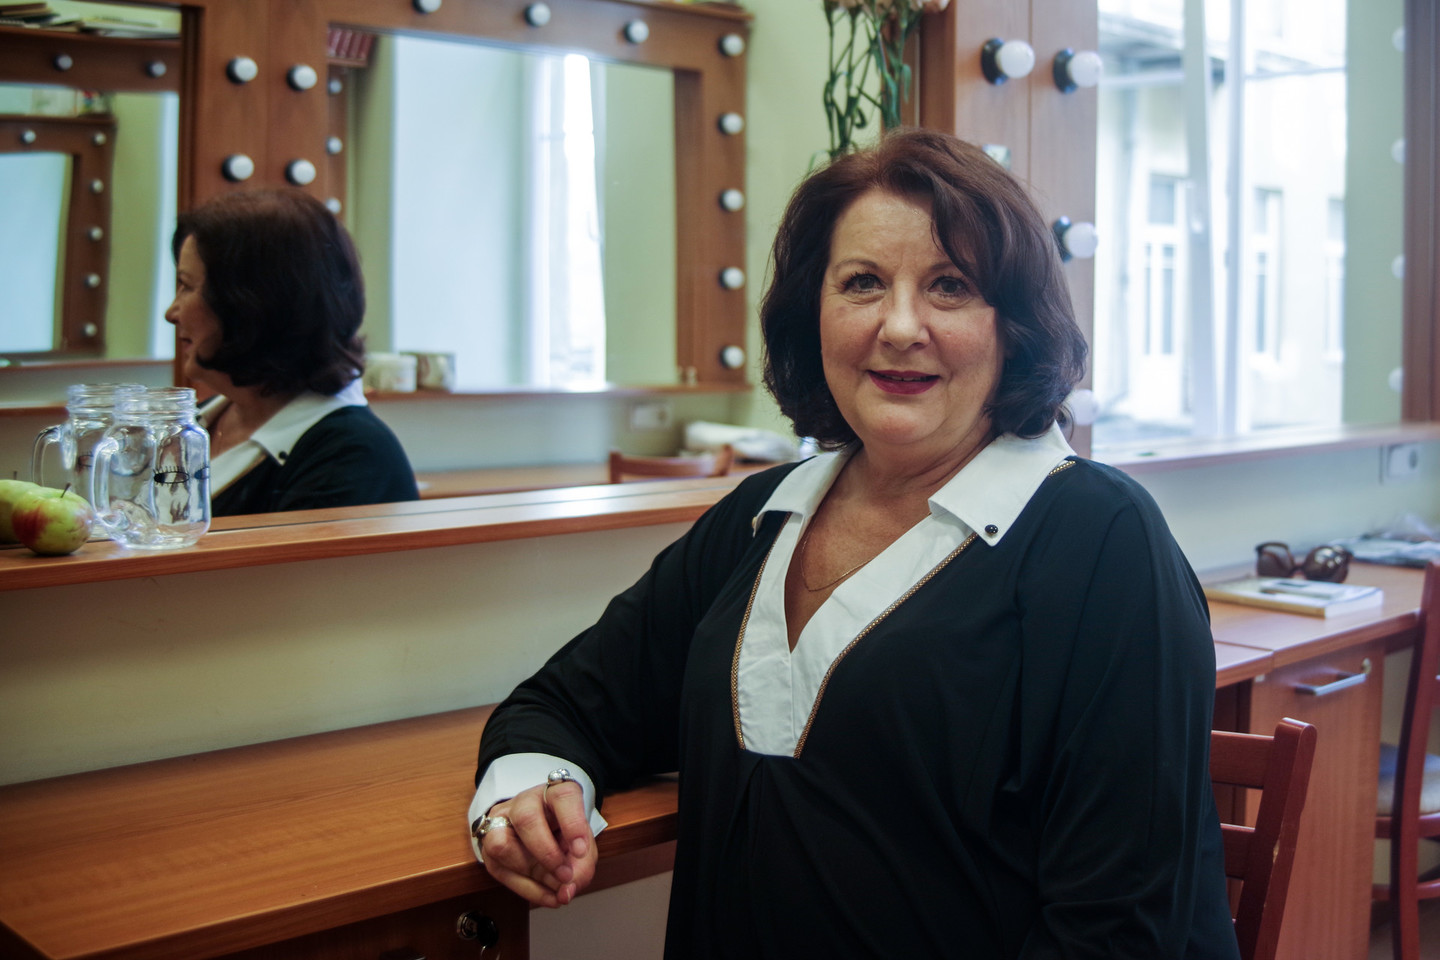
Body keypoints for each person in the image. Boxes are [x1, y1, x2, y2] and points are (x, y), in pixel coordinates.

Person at [469, 130, 1239, 959]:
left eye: (950, 286)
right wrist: (529, 791)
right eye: (862, 283)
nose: (900, 327)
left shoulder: (1102, 542)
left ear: (1013, 325)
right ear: (814, 313)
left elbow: (1121, 926)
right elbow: (564, 705)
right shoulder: (760, 517)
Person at [165, 188, 418, 516]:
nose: (172, 313)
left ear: (252, 306)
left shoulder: (351, 459)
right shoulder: (198, 419)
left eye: (187, 286)